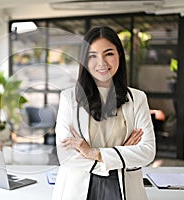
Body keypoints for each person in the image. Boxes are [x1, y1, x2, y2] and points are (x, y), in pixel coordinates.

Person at [52, 26, 156, 200]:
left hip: (125, 188)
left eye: (108, 54)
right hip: (77, 189)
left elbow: (147, 152)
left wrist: (94, 153)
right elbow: (66, 156)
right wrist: (120, 155)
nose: (101, 62)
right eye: (92, 56)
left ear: (120, 56)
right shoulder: (69, 98)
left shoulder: (137, 98)